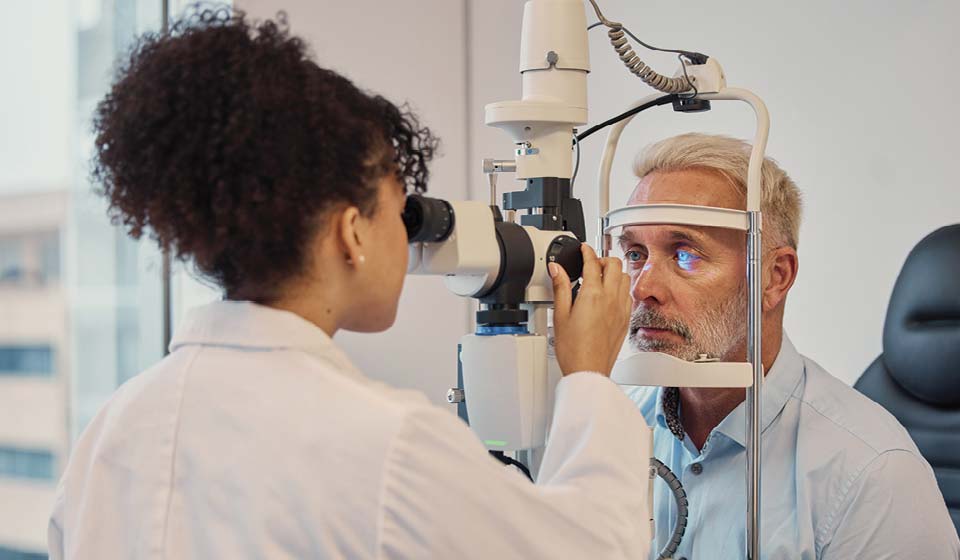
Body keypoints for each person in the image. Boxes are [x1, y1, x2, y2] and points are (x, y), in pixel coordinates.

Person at [48, 9, 652, 559]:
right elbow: (593, 548)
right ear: (351, 233)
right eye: (399, 210)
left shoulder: (113, 430)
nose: (408, 235)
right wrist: (590, 381)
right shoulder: (389, 446)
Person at [620, 132, 960, 558]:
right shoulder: (614, 428)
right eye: (635, 253)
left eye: (686, 254)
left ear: (775, 276)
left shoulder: (870, 472)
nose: (643, 287)